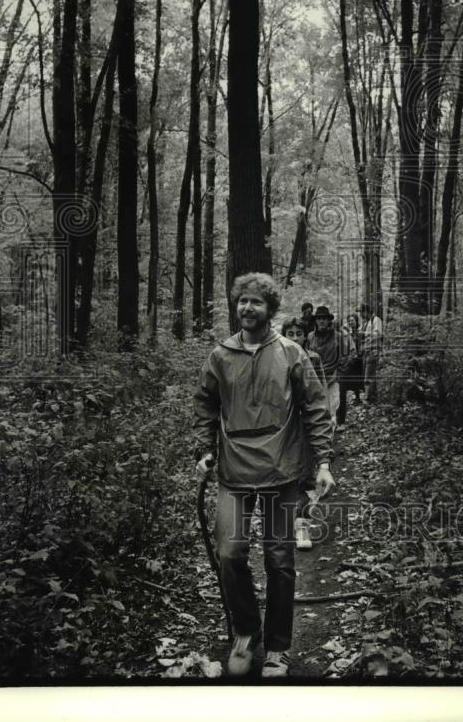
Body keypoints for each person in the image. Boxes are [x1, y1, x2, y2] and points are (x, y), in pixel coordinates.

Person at [194, 273, 334, 679]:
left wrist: (323, 463)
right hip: (233, 472)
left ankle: (276, 647)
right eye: (242, 301)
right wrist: (204, 450)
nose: (247, 308)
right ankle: (244, 632)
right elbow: (205, 403)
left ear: (270, 310)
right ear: (235, 306)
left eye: (256, 302)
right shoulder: (220, 355)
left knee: (280, 560)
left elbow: (316, 409)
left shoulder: (292, 354)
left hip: (281, 472)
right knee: (231, 553)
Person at [280, 316, 325, 552]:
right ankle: (285, 522)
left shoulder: (313, 359)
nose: (295, 338)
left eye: (299, 333)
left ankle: (302, 526)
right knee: (285, 476)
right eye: (290, 333)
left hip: (305, 426)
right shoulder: (276, 358)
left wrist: (325, 423)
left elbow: (319, 395)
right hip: (282, 428)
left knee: (306, 477)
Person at [306, 305, 355, 432]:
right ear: (316, 320)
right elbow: (305, 356)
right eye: (319, 318)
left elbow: (346, 355)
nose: (321, 321)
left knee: (333, 408)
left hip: (333, 377)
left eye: (324, 318)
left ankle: (331, 436)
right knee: (318, 409)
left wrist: (340, 372)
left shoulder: (338, 336)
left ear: (329, 320)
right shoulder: (310, 336)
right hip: (315, 378)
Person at [357, 302, 383, 404]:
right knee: (367, 375)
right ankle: (373, 397)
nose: (360, 315)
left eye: (361, 312)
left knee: (369, 376)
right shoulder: (365, 323)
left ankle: (368, 400)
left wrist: (364, 334)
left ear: (366, 311)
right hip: (366, 352)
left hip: (373, 351)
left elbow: (378, 334)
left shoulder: (376, 320)